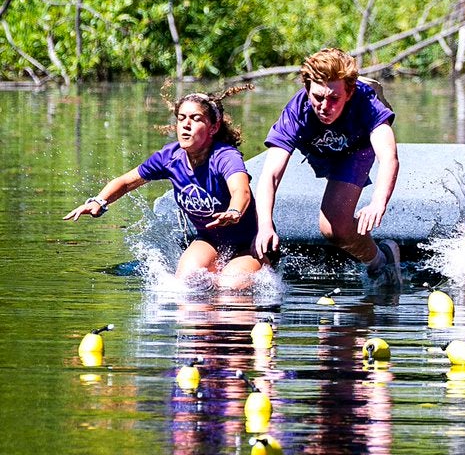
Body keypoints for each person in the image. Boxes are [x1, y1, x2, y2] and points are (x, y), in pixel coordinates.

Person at [64, 85, 267, 289]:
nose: (186, 125)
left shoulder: (225, 156)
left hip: (249, 244)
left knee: (228, 287)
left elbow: (241, 191)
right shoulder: (170, 157)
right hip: (209, 241)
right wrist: (100, 200)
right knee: (186, 284)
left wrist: (234, 210)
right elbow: (126, 182)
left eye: (196, 119)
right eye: (181, 118)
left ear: (213, 127)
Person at [253, 47, 400, 283]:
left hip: (356, 147)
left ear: (349, 93)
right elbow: (270, 174)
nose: (324, 107)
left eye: (333, 99)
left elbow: (389, 157)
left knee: (334, 227)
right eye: (318, 97)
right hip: (319, 145)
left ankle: (381, 261)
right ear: (307, 89)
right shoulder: (296, 112)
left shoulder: (364, 102)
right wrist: (264, 225)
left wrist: (378, 202)